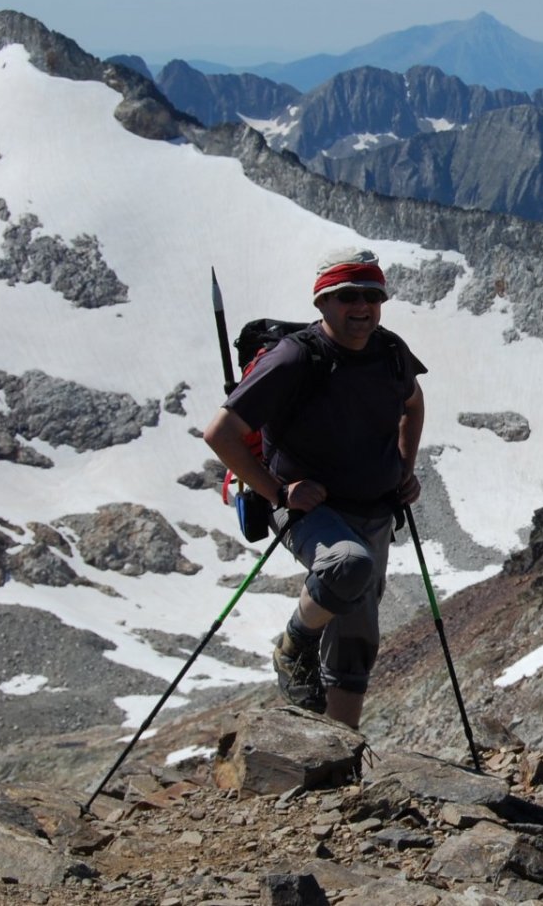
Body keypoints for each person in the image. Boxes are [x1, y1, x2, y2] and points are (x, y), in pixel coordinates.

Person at [204, 248, 425, 730]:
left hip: (374, 508)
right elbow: (220, 434)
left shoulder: (390, 353)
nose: (362, 307)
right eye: (348, 296)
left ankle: (337, 759)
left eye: (372, 296)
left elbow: (413, 401)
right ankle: (294, 645)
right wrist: (279, 493)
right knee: (348, 564)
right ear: (323, 301)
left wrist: (404, 469)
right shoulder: (294, 358)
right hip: (309, 508)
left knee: (356, 637)